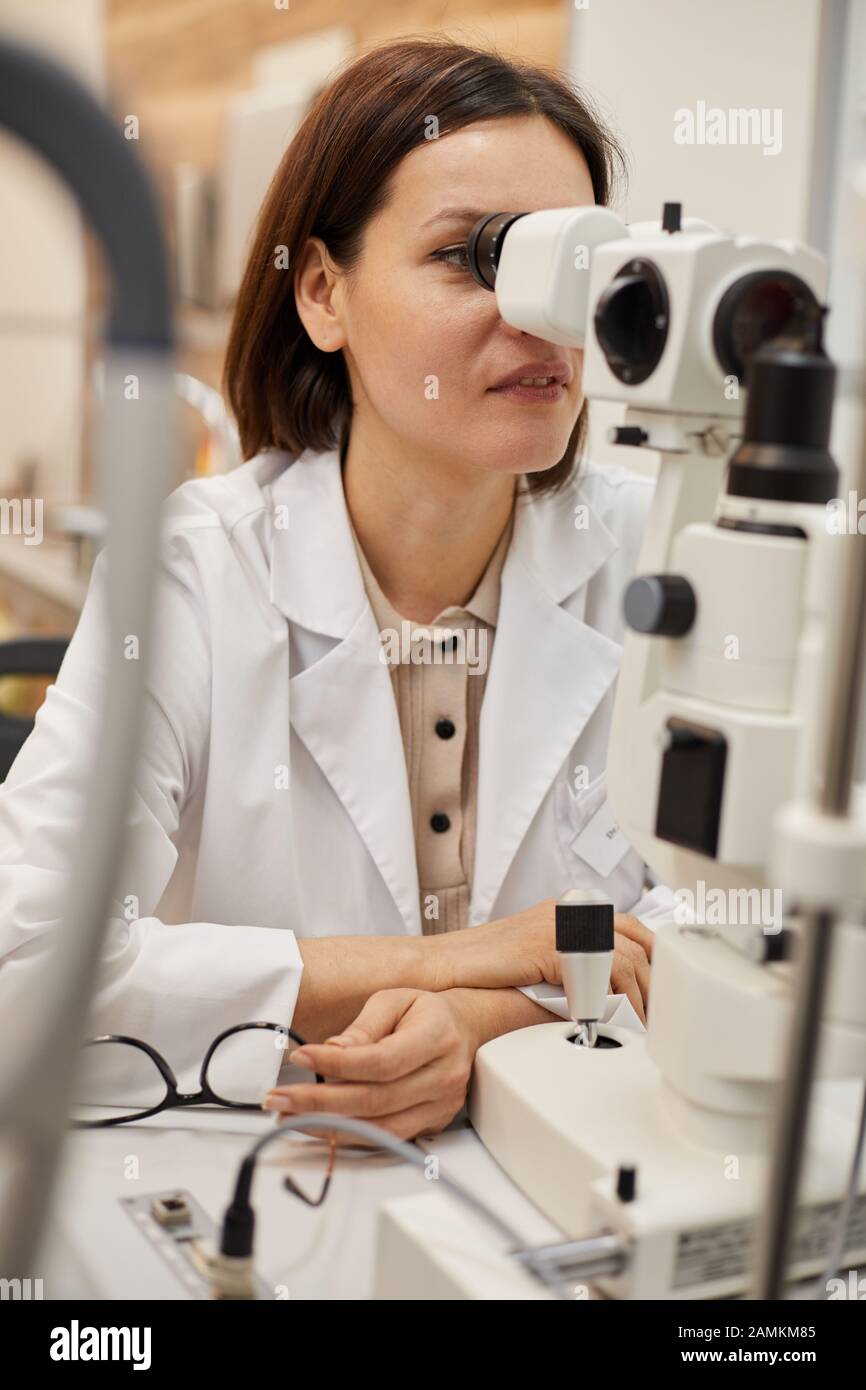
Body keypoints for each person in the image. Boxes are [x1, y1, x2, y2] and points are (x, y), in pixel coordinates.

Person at [0, 38, 672, 1141]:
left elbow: (748, 937)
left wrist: (479, 1019)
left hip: (561, 1192)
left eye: (571, 262)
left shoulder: (656, 553)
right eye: (470, 256)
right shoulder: (196, 568)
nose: (538, 315)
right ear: (322, 292)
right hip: (259, 1169)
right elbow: (30, 955)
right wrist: (440, 958)